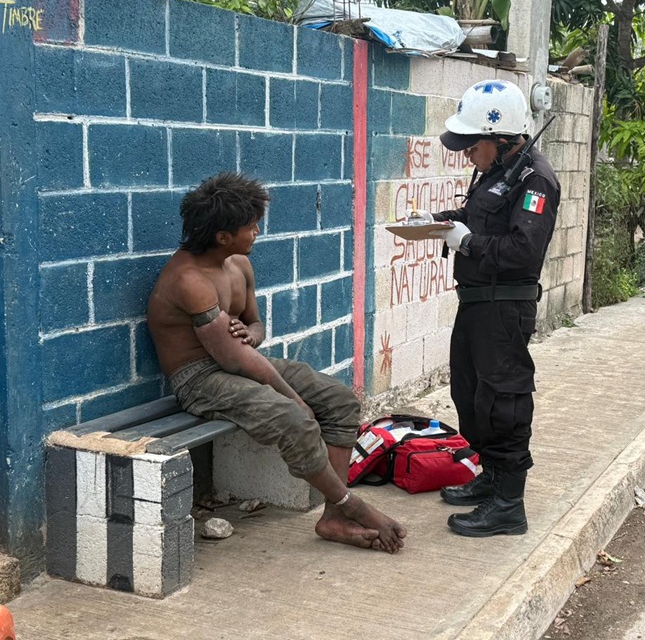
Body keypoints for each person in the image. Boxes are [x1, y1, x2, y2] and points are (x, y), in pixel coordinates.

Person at [147, 172, 406, 553]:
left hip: (241, 362)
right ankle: (353, 507)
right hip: (199, 379)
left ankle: (333, 514)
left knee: (339, 401)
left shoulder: (238, 265)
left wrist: (253, 334)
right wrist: (291, 397)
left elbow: (254, 327)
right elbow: (232, 359)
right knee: (293, 417)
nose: (257, 233)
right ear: (223, 237)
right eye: (250, 227)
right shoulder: (189, 280)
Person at [407, 79, 561, 537]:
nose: (466, 154)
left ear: (502, 138)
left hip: (504, 308)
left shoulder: (536, 180)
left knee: (503, 399)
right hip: (476, 304)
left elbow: (523, 250)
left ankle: (509, 504)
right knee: (471, 394)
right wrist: (442, 223)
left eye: (472, 145)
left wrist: (468, 242)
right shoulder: (497, 174)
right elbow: (479, 219)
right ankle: (491, 479)